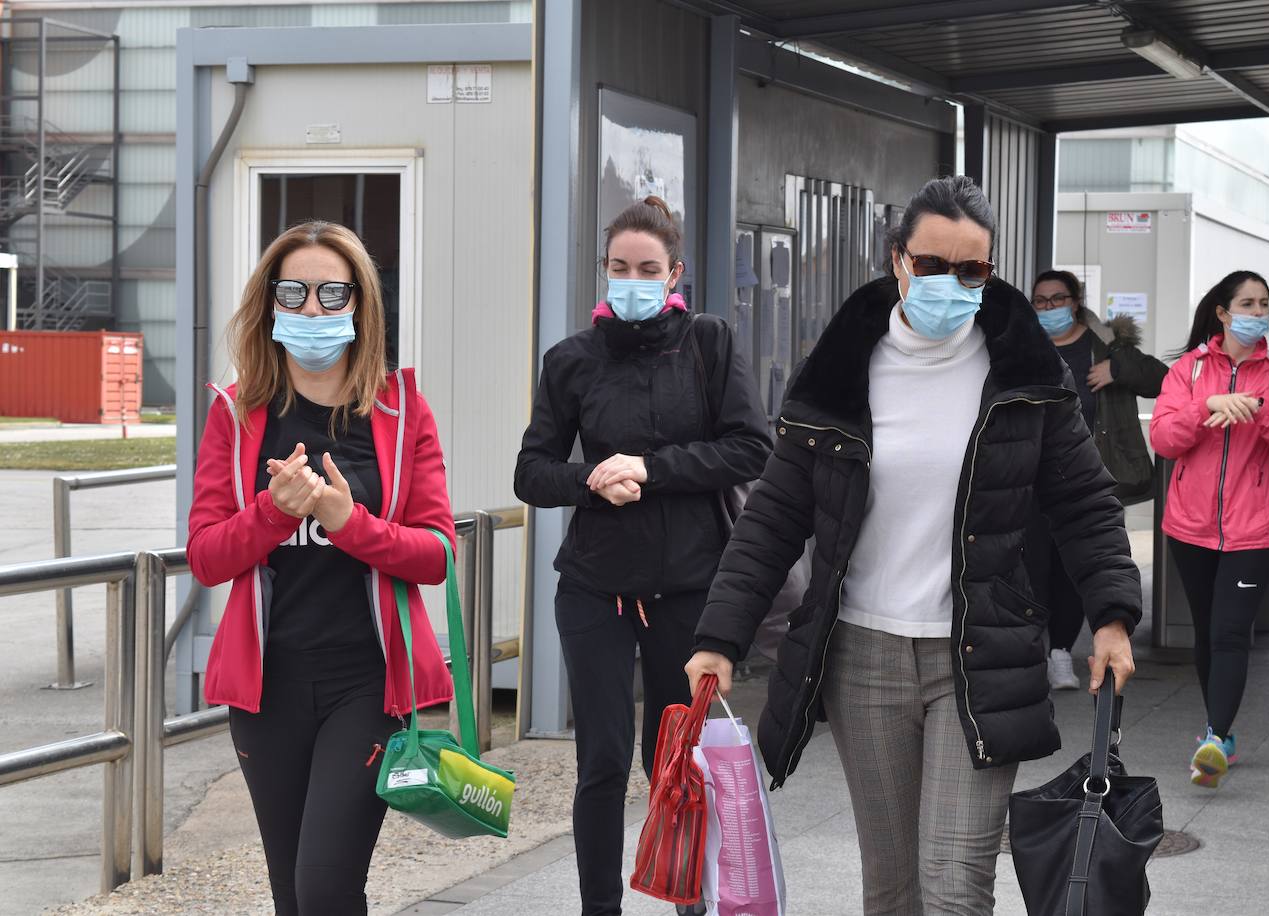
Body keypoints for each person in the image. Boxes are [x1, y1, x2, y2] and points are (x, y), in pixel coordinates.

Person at [686, 176, 1140, 916]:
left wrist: (1114, 615)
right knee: (892, 888)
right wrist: (719, 637)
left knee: (955, 886)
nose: (952, 284)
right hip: (864, 658)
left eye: (973, 270)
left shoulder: (1026, 375)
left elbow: (1085, 502)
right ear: (898, 259)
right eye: (933, 265)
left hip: (982, 655)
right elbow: (773, 516)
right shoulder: (839, 373)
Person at [186, 221, 458, 915]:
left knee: (326, 888)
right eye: (295, 292)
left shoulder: (400, 411)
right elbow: (208, 556)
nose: (313, 309)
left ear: (360, 307)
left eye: (333, 293)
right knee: (291, 896)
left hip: (367, 683)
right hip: (267, 688)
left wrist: (348, 523)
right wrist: (274, 514)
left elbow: (435, 554)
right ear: (271, 304)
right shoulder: (237, 413)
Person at [513, 196, 771, 916]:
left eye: (648, 268)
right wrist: (591, 481)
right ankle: (601, 908)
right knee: (601, 760)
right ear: (604, 272)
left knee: (678, 759)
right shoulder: (571, 360)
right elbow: (531, 472)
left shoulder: (711, 343)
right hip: (594, 587)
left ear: (674, 273)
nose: (633, 278)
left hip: (689, 586)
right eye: (620, 267)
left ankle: (691, 902)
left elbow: (752, 447)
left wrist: (652, 469)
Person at [1149, 270, 1269, 789]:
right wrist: (1206, 408)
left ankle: (1216, 736)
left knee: (1229, 633)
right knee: (1207, 631)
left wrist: (1260, 412)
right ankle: (1216, 731)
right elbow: (1163, 437)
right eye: (1247, 303)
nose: (1259, 312)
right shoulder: (1189, 372)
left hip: (1253, 529)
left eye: (1264, 304)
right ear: (1222, 313)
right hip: (1190, 527)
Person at [1028, 270, 1168, 690]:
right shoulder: (1024, 347)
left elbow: (1162, 379)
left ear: (1076, 301)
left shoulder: (1104, 346)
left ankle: (1059, 655)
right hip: (1029, 478)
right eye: (1041, 301)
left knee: (1077, 567)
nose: (1050, 308)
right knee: (1032, 564)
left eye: (1058, 299)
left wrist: (1117, 368)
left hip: (1086, 477)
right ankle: (1035, 650)